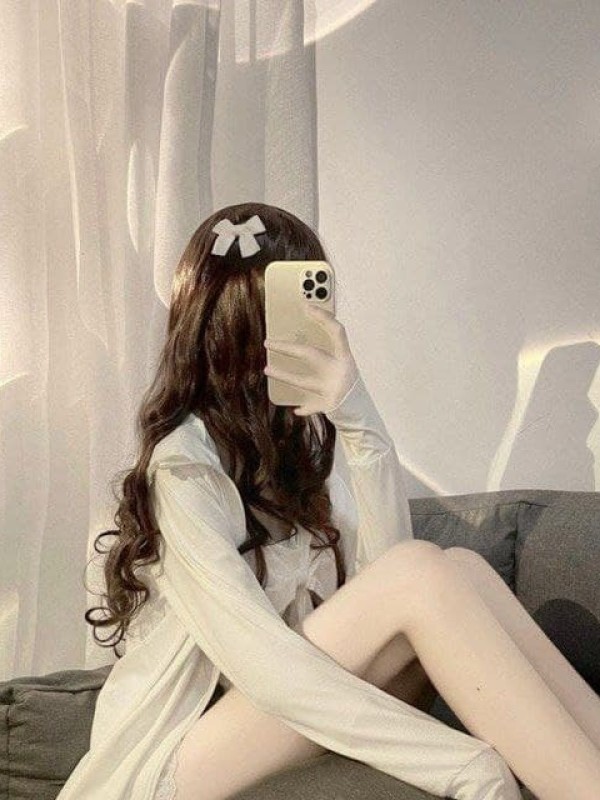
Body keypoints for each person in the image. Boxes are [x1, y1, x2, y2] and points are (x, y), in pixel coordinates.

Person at [57, 202, 600, 800]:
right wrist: (465, 764)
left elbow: (392, 591)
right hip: (172, 761)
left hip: (274, 715)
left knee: (462, 568)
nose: (318, 316)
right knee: (421, 569)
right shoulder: (182, 469)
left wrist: (358, 417)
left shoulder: (291, 449)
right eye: (293, 302)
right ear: (236, 324)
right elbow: (262, 664)